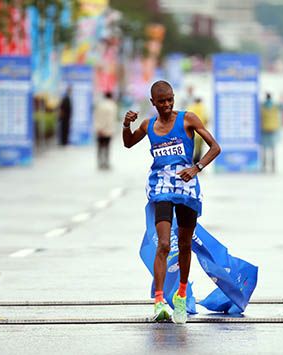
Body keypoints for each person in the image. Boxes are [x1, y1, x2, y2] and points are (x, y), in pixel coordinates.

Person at [122, 80, 221, 323]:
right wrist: (126, 124)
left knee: (185, 244)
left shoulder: (188, 119)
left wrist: (196, 168)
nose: (166, 105)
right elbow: (128, 142)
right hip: (161, 189)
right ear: (152, 102)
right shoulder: (149, 125)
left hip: (186, 188)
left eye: (170, 100)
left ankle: (181, 295)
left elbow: (214, 147)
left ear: (174, 98)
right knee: (164, 244)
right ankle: (158, 301)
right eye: (161, 101)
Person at [93, 92, 118, 170]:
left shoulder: (100, 105)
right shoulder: (113, 106)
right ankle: (106, 162)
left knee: (100, 147)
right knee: (107, 147)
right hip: (108, 130)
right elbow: (111, 119)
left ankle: (100, 162)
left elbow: (96, 117)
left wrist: (99, 128)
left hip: (100, 130)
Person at [186, 97, 209, 163]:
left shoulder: (191, 108)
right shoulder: (203, 108)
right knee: (199, 150)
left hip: (192, 133)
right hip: (201, 133)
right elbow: (207, 119)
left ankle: (191, 163)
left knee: (192, 149)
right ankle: (198, 164)